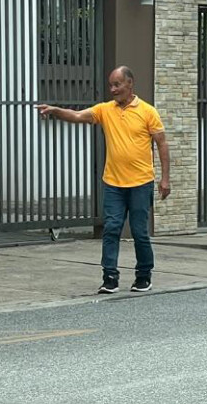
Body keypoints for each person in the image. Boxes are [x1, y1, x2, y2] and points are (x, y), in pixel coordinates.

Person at [36, 66, 170, 294]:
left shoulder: (148, 111)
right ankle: (110, 278)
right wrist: (56, 111)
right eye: (111, 85)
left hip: (140, 183)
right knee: (111, 229)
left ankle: (143, 276)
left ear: (130, 84)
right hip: (113, 184)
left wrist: (165, 179)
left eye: (117, 84)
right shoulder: (105, 110)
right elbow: (78, 116)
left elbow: (162, 143)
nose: (113, 89)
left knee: (139, 232)